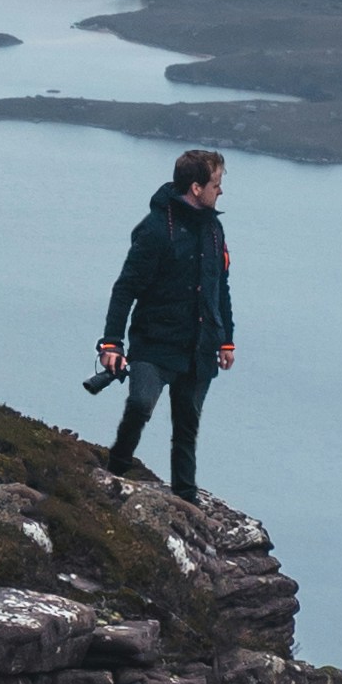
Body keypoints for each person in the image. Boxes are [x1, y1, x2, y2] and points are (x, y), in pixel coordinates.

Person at [98, 145, 235, 499]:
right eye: (216, 184)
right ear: (195, 187)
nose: (220, 190)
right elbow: (126, 287)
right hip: (155, 344)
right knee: (141, 405)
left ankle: (185, 498)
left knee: (187, 427)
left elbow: (221, 288)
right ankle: (113, 472)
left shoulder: (215, 230)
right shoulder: (156, 230)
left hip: (199, 348)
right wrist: (112, 343)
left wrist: (226, 340)